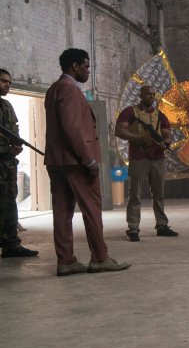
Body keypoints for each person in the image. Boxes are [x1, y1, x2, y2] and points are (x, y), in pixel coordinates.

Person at [44, 49, 130, 276]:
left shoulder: (53, 89)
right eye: (86, 66)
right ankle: (100, 258)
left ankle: (66, 261)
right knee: (91, 210)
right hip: (76, 162)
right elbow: (73, 128)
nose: (88, 71)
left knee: (62, 213)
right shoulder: (70, 90)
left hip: (57, 162)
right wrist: (88, 159)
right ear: (75, 66)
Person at [114, 85, 178, 242]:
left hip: (158, 157)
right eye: (148, 94)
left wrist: (166, 142)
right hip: (139, 157)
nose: (151, 97)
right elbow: (119, 131)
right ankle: (133, 228)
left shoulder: (160, 115)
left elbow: (167, 134)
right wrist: (140, 138)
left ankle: (162, 225)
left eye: (153, 94)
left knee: (159, 194)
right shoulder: (130, 112)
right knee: (135, 194)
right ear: (141, 95)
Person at [0, 69, 38, 259]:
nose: (7, 84)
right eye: (3, 81)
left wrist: (16, 146)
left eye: (9, 82)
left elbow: (14, 131)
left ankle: (11, 244)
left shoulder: (6, 105)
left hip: (7, 163)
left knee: (8, 203)